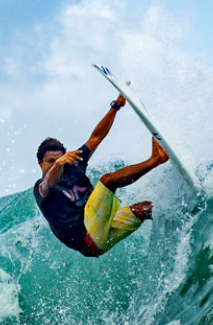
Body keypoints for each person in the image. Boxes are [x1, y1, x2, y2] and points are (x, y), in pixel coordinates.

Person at [34, 94, 169, 257]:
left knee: (144, 210)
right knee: (107, 181)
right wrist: (59, 164)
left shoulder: (73, 164)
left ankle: (181, 215)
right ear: (40, 162)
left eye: (59, 158)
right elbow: (49, 182)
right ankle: (155, 160)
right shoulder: (41, 189)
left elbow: (96, 137)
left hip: (101, 235)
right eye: (50, 161)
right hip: (87, 239)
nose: (55, 163)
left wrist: (116, 107)